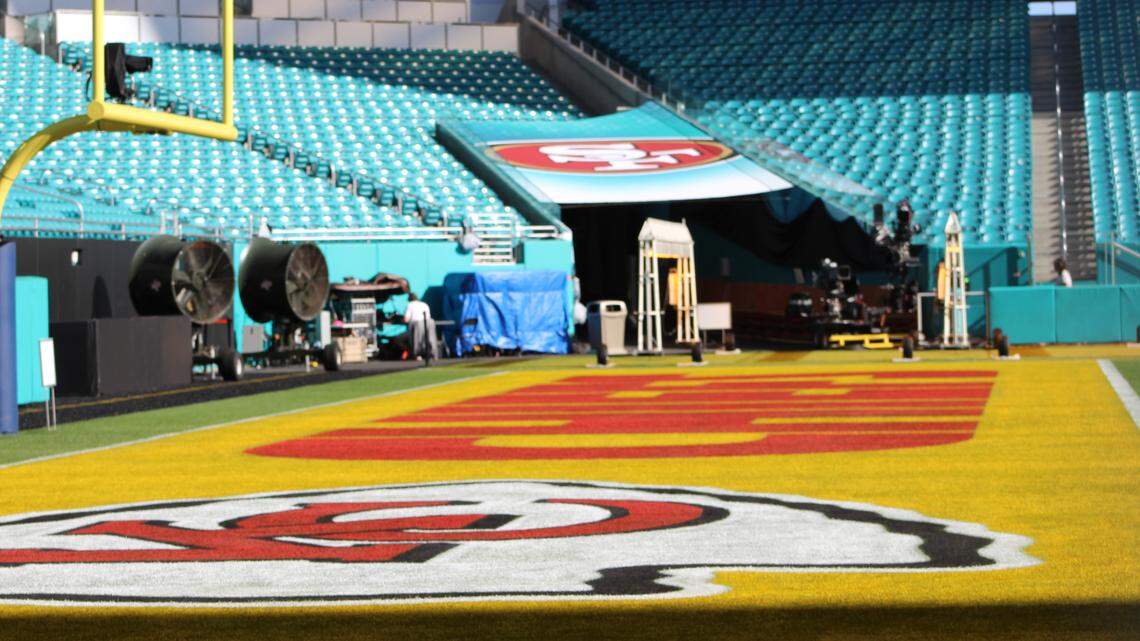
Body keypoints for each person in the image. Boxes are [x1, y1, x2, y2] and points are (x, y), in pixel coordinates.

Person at [403, 293, 437, 360]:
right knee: (430, 339)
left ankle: (418, 355)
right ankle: (433, 355)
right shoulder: (424, 304)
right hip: (430, 322)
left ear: (409, 299)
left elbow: (406, 319)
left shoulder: (410, 305)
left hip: (418, 323)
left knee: (417, 340)